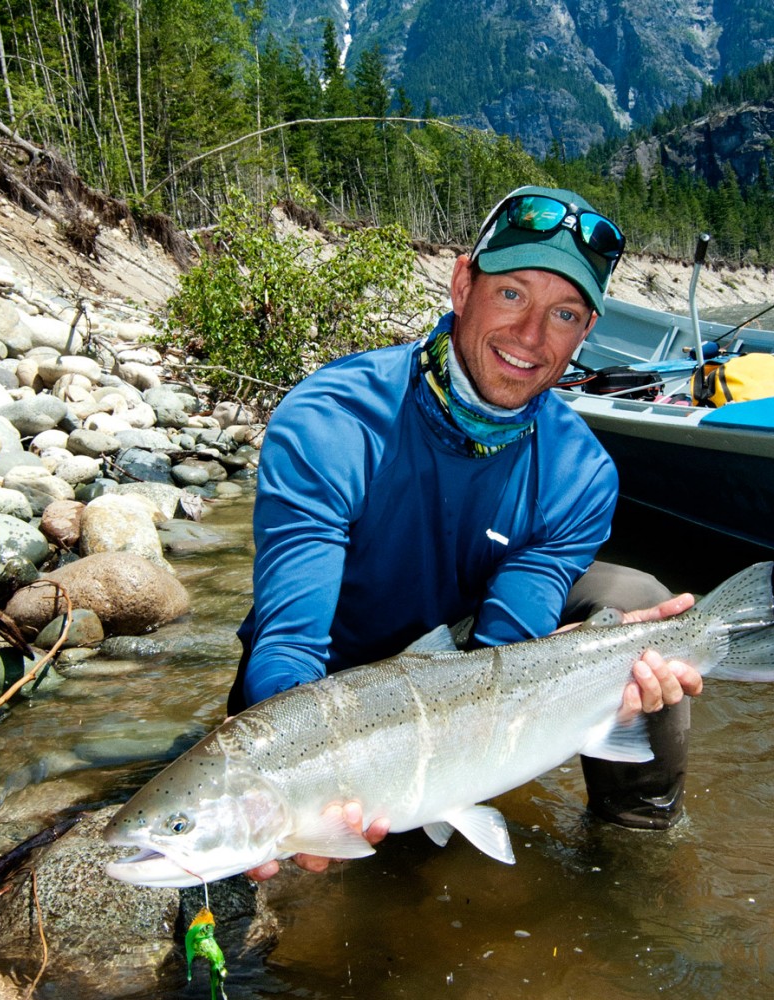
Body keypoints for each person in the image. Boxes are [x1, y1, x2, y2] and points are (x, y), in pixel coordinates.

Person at [228, 185, 703, 880]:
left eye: (564, 314)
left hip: (462, 676)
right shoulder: (331, 419)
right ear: (461, 285)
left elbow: (505, 644)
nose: (531, 336)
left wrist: (580, 659)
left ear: (584, 333)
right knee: (285, 853)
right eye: (511, 294)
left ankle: (637, 860)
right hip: (324, 685)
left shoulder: (580, 472)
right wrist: (285, 771)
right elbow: (291, 642)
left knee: (639, 609)